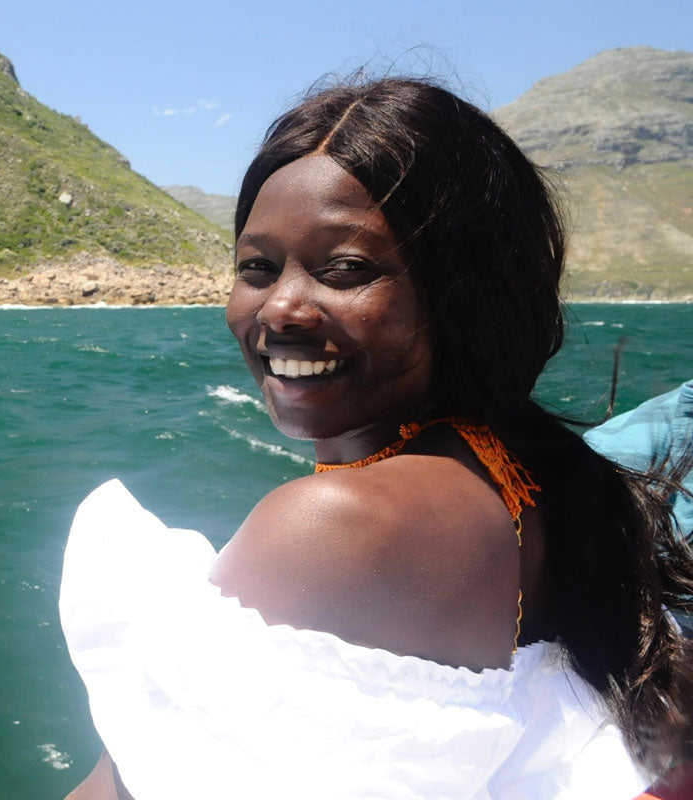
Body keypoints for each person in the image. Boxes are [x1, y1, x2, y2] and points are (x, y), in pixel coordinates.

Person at [60, 77, 693, 799]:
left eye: (346, 269)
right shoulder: (534, 471)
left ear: (466, 294)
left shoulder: (340, 526)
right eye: (257, 268)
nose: (282, 307)